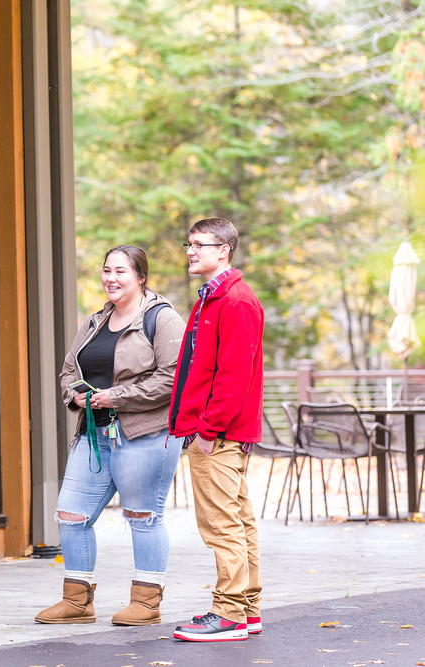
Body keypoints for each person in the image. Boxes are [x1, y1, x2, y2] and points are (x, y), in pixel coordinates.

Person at [35, 245, 186, 627]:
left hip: (145, 434)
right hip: (94, 434)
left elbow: (172, 379)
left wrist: (114, 396)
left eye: (120, 271)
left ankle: (147, 602)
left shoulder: (163, 319)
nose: (111, 278)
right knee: (70, 515)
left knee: (142, 516)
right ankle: (77, 600)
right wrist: (78, 395)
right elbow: (69, 371)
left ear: (140, 276)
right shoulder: (94, 322)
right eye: (106, 270)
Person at [168, 218, 264, 643]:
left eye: (199, 245)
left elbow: (233, 376)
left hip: (218, 437)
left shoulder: (236, 301)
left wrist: (207, 431)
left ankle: (227, 615)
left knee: (221, 525)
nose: (190, 251)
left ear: (223, 250)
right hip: (216, 434)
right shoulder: (213, 297)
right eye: (188, 244)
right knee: (238, 523)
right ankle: (247, 611)